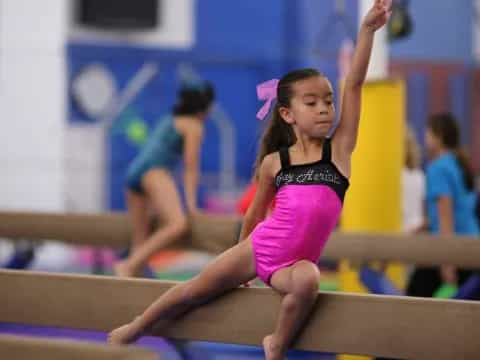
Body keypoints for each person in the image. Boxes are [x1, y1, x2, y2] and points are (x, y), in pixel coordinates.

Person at [108, 2, 390, 358]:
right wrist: (240, 264)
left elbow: (356, 85)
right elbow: (255, 216)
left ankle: (276, 344)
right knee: (193, 290)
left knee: (309, 280)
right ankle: (136, 327)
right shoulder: (276, 163)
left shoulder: (339, 153)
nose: (324, 109)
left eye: (328, 102)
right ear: (287, 114)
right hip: (258, 251)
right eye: (312, 102)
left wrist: (366, 31)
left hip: (294, 267)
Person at [113, 81, 215, 277]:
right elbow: (190, 167)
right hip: (154, 171)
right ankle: (128, 264)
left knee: (140, 241)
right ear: (204, 107)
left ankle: (130, 278)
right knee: (178, 224)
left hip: (133, 173)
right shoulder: (194, 126)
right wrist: (192, 205)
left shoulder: (170, 118)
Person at [406, 113, 479, 297]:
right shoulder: (458, 163)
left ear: (438, 136)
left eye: (428, 133)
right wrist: (426, 225)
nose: (425, 138)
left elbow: (446, 215)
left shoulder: (438, 168)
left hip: (455, 250)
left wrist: (447, 261)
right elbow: (459, 209)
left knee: (413, 294)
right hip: (471, 245)